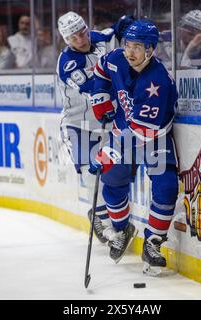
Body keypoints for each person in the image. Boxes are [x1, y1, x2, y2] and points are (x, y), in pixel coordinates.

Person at [89, 20, 179, 275]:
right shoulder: (117, 58)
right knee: (112, 182)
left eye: (137, 47)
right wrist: (100, 97)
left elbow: (139, 133)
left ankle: (153, 242)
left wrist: (107, 153)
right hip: (123, 132)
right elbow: (101, 68)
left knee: (166, 187)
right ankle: (121, 229)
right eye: (127, 44)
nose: (130, 51)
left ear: (150, 49)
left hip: (154, 138)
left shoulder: (157, 81)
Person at [56, 11, 134, 245]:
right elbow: (93, 88)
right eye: (74, 37)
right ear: (66, 40)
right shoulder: (68, 64)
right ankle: (107, 228)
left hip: (107, 123)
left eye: (82, 31)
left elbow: (119, 30)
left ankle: (113, 221)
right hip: (77, 125)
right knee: (92, 177)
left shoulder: (102, 38)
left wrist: (127, 23)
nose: (81, 38)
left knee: (111, 172)